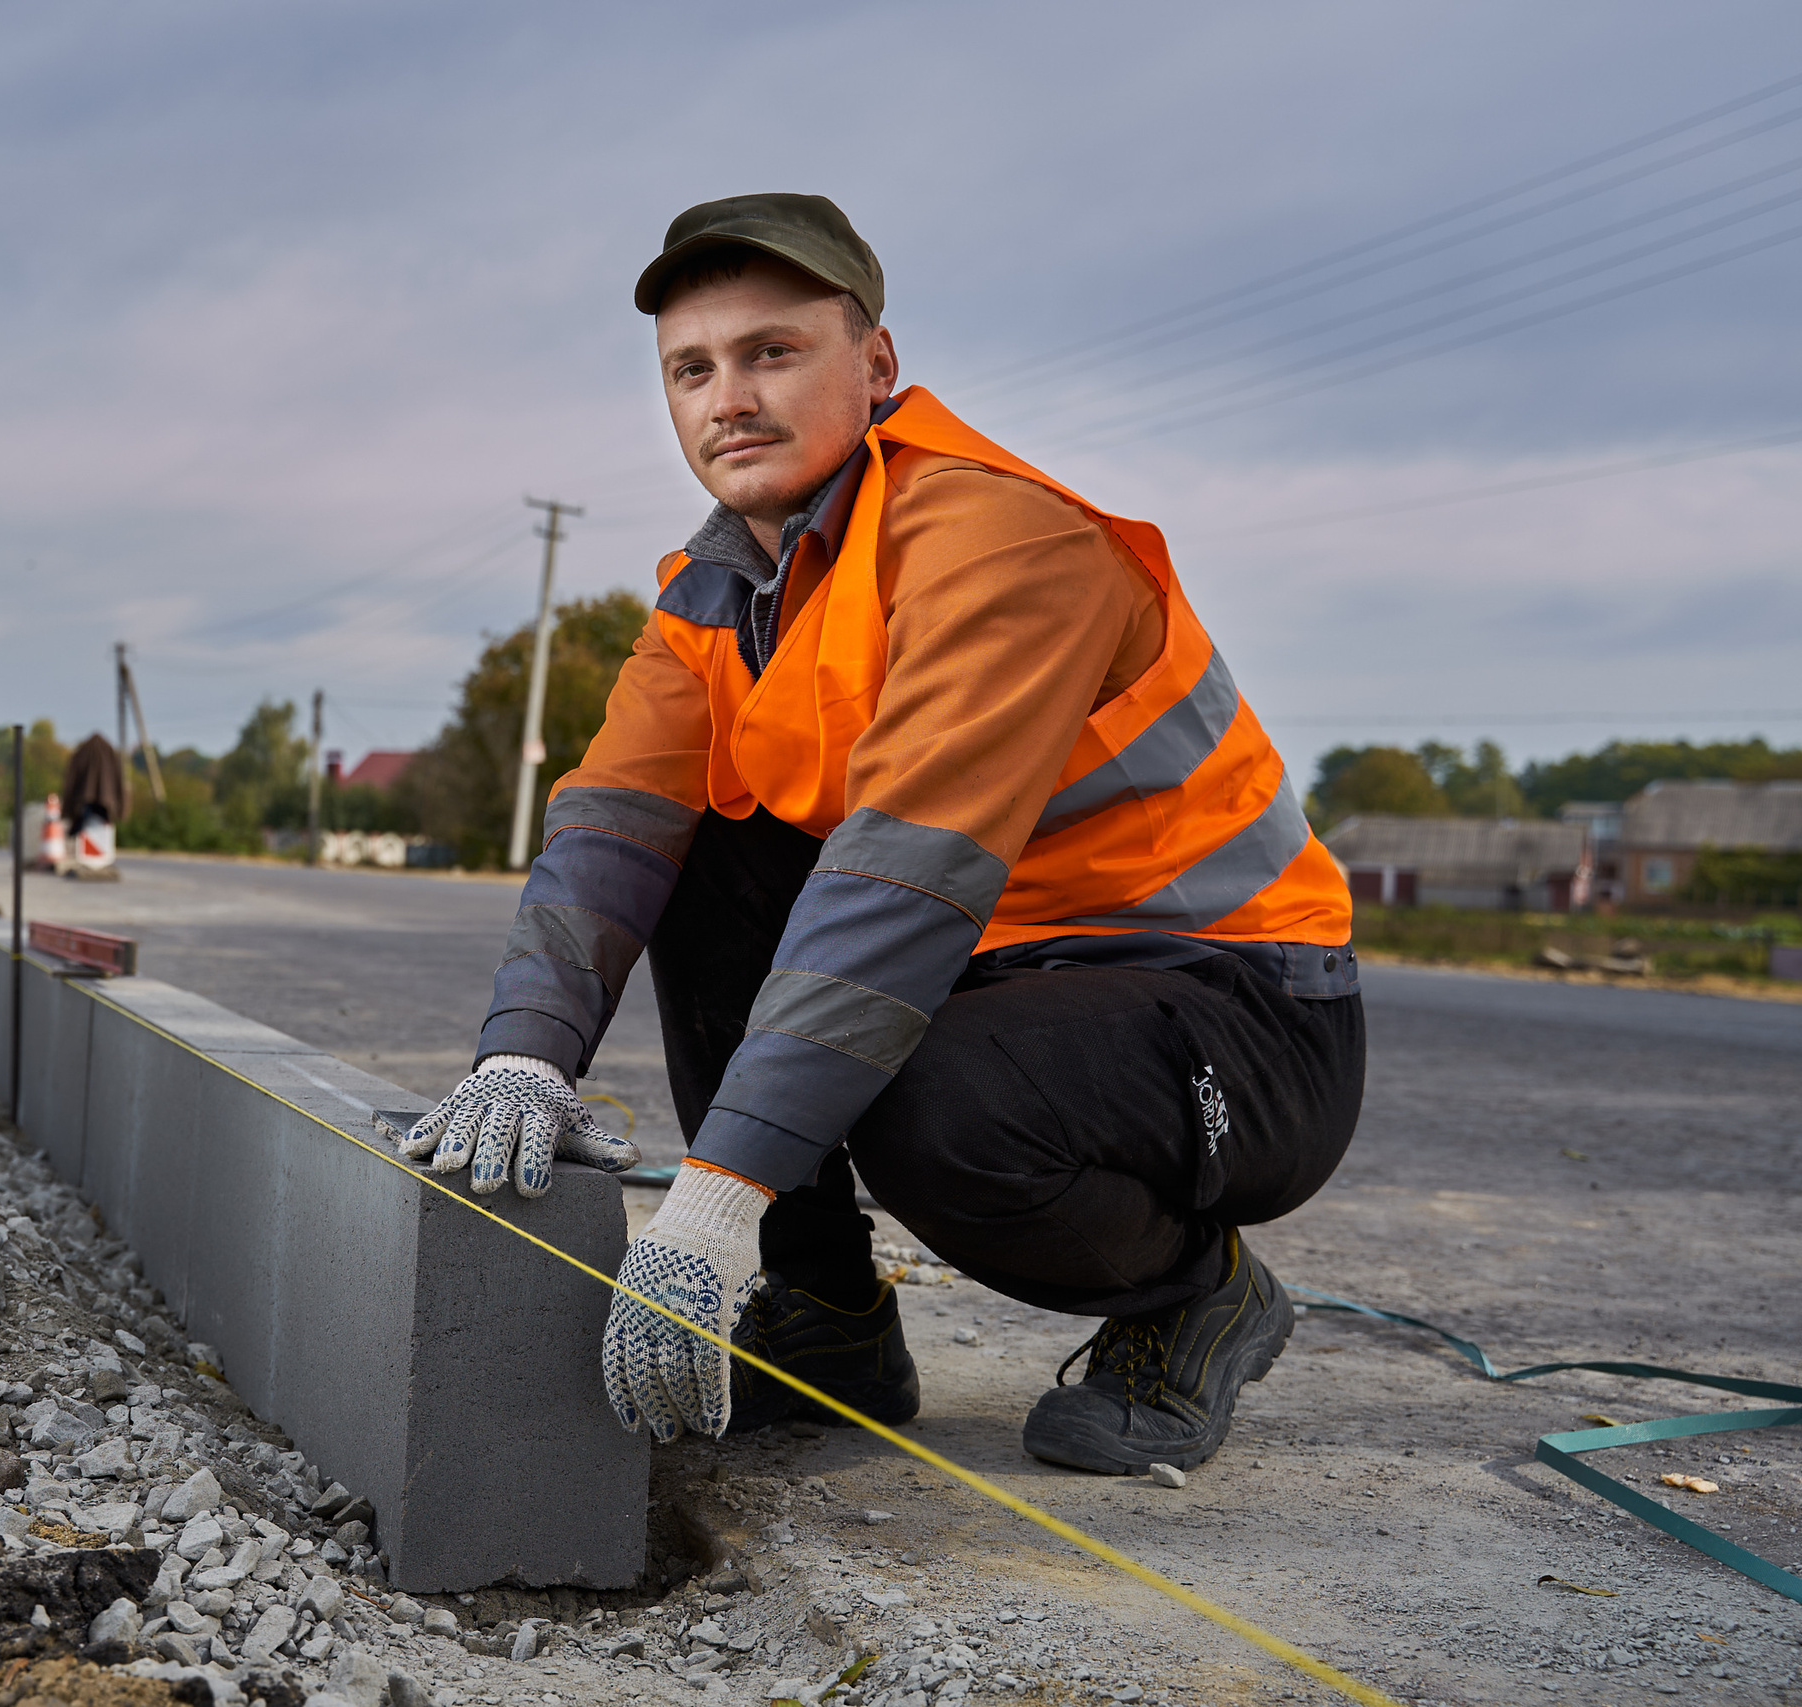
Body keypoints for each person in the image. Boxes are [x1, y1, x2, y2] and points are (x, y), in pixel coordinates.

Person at [401, 194, 1362, 1477]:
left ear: (877, 366)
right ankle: (833, 1317)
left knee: (923, 1102)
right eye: (692, 369)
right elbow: (608, 832)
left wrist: (708, 1207)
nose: (726, 397)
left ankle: (1197, 1295)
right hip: (997, 972)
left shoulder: (998, 540)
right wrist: (523, 1057)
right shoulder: (714, 592)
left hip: (1234, 1006)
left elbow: (901, 880)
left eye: (771, 353)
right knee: (696, 858)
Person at [61, 732, 127, 881]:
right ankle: (96, 861)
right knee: (96, 827)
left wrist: (69, 808)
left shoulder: (81, 755)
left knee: (89, 826)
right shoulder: (110, 755)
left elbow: (70, 782)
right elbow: (120, 782)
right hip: (102, 805)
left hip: (86, 803)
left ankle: (91, 861)